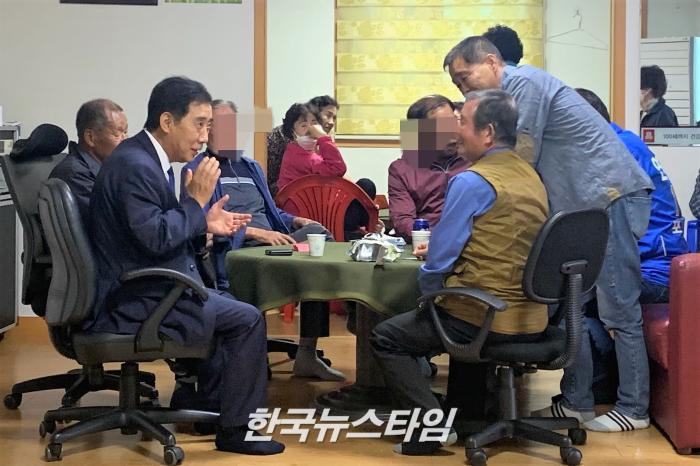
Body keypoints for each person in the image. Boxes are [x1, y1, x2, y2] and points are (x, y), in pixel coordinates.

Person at [444, 36, 654, 432]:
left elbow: (518, 157)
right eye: (457, 84)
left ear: (491, 62)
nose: (464, 88)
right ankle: (577, 403)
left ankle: (634, 408)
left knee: (618, 309)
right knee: (574, 306)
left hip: (608, 198)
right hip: (583, 208)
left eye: (465, 77)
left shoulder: (524, 85)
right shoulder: (511, 94)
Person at [87, 76, 284, 455]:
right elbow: (156, 238)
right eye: (199, 124)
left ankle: (207, 407)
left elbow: (154, 231)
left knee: (229, 306)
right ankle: (237, 430)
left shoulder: (142, 158)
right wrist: (195, 205)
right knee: (246, 319)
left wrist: (203, 224)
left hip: (146, 286)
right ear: (167, 121)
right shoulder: (136, 165)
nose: (204, 136)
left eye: (209, 126)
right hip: (137, 299)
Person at [371, 89, 549, 456]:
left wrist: (429, 297)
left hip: (486, 314)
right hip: (533, 313)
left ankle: (428, 429)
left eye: (462, 123)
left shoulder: (471, 180)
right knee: (460, 308)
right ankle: (467, 418)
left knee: (388, 336)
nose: (456, 132)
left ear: (487, 133)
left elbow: (438, 261)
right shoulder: (530, 174)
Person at [182, 99, 344, 381]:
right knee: (297, 258)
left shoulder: (250, 166)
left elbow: (269, 211)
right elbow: (202, 224)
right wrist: (257, 233)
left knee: (319, 240)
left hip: (274, 241)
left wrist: (295, 219)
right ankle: (252, 355)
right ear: (208, 130)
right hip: (237, 248)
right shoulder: (201, 168)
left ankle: (307, 353)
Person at [575, 88, 688, 404]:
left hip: (654, 270)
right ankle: (596, 390)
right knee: (577, 293)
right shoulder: (624, 141)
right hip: (650, 261)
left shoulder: (616, 151)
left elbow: (621, 228)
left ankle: (602, 397)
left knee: (572, 300)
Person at [388, 95, 469, 242]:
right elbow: (403, 221)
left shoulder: (474, 158)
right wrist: (437, 239)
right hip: (428, 245)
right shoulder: (402, 170)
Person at [50, 99, 128, 221]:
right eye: (117, 134)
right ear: (91, 138)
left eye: (125, 132)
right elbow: (117, 220)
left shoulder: (104, 169)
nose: (126, 140)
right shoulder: (75, 174)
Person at [267, 95, 339, 197]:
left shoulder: (314, 140)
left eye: (334, 118)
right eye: (327, 115)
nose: (331, 122)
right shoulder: (295, 146)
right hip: (291, 198)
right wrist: (324, 138)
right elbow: (336, 168)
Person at [276, 103, 347, 191]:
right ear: (292, 132)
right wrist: (323, 137)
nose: (311, 130)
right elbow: (338, 168)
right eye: (304, 125)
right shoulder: (296, 156)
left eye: (314, 124)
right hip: (303, 199)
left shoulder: (304, 150)